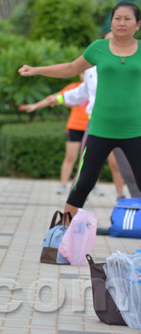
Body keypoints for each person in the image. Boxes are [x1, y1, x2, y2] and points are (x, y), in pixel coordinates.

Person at [18, 1, 141, 218]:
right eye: (117, 18)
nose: (122, 23)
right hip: (100, 128)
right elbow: (70, 68)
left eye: (128, 19)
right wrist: (37, 69)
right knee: (83, 183)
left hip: (135, 130)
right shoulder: (98, 48)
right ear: (111, 22)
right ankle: (62, 236)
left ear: (138, 25)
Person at [20, 71, 125, 199]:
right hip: (77, 126)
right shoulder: (75, 88)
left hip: (99, 127)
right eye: (81, 71)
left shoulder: (104, 85)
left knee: (111, 162)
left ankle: (115, 193)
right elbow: (57, 97)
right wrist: (35, 106)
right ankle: (66, 187)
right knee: (76, 158)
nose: (84, 73)